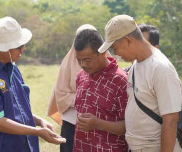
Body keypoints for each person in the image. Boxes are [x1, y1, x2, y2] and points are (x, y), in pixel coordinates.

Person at [0, 16, 66, 152]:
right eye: (19, 46)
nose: (23, 50)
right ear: (4, 48)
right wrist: (37, 132)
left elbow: (15, 109)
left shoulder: (11, 68)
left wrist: (39, 122)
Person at [98, 14, 182, 152]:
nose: (116, 54)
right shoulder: (137, 64)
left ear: (127, 40)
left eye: (115, 48)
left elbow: (171, 121)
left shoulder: (160, 68)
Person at [73, 29, 128, 152]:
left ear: (103, 52)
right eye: (79, 60)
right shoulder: (81, 76)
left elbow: (129, 125)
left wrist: (98, 123)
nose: (83, 65)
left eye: (87, 60)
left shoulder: (121, 81)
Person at [48, 24, 97, 152]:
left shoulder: (105, 59)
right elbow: (61, 94)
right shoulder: (67, 63)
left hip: (99, 123)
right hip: (72, 122)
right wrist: (85, 100)